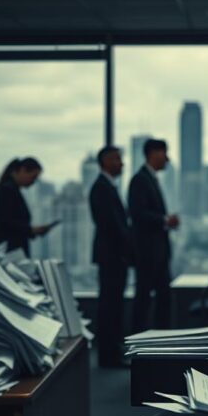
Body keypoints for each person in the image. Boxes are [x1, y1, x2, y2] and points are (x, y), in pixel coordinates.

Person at [127, 139, 179, 332]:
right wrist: (165, 220)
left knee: (158, 298)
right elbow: (137, 213)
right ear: (153, 154)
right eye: (164, 153)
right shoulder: (140, 180)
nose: (167, 158)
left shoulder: (149, 179)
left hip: (156, 252)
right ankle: (143, 344)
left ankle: (158, 343)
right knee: (145, 299)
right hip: (148, 252)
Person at [89, 146, 133, 367]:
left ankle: (111, 352)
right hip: (112, 256)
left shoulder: (107, 187)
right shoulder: (102, 188)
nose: (121, 163)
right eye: (117, 159)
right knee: (110, 306)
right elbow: (113, 226)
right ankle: (109, 355)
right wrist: (130, 246)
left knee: (113, 304)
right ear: (105, 161)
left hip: (114, 256)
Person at [0, 157, 53, 257]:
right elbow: (6, 222)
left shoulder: (11, 189)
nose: (33, 182)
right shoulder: (7, 190)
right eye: (33, 177)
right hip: (10, 248)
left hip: (13, 246)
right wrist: (31, 230)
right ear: (23, 170)